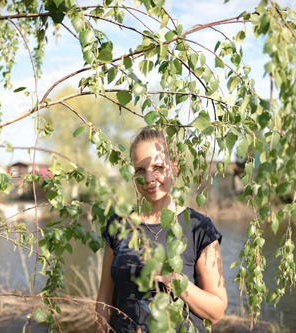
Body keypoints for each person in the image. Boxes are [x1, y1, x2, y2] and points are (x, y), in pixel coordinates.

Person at [95, 127, 227, 332]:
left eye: (158, 167)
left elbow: (216, 312)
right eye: (140, 170)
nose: (149, 179)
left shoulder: (199, 228)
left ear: (173, 167)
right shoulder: (119, 225)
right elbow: (104, 299)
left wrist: (176, 281)